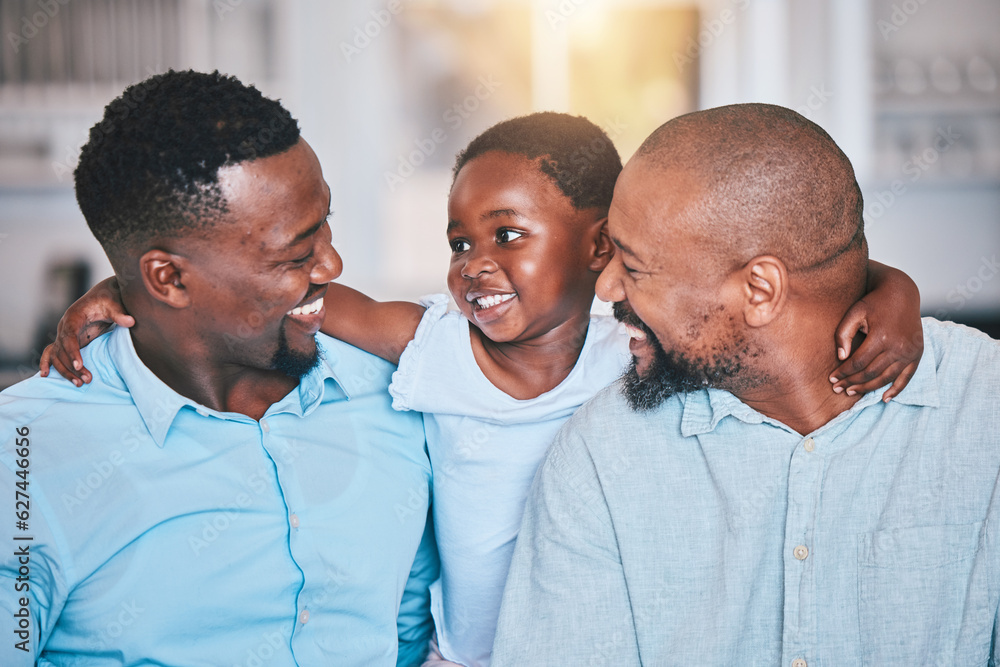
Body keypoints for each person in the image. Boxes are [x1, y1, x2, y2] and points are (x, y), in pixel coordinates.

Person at [41, 112, 923, 667]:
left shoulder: (637, 346)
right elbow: (295, 294)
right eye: (460, 242)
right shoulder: (428, 347)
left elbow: (753, 284)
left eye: (507, 234)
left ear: (601, 249)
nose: (476, 265)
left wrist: (892, 287)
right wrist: (130, 293)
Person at [491, 103, 1000, 666]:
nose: (607, 288)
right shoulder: (602, 457)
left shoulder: (983, 412)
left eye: (634, 268)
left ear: (760, 291)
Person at [0, 70, 437, 665]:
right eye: (296, 254)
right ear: (169, 278)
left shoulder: (404, 387)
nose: (333, 264)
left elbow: (407, 636)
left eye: (325, 225)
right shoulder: (25, 456)